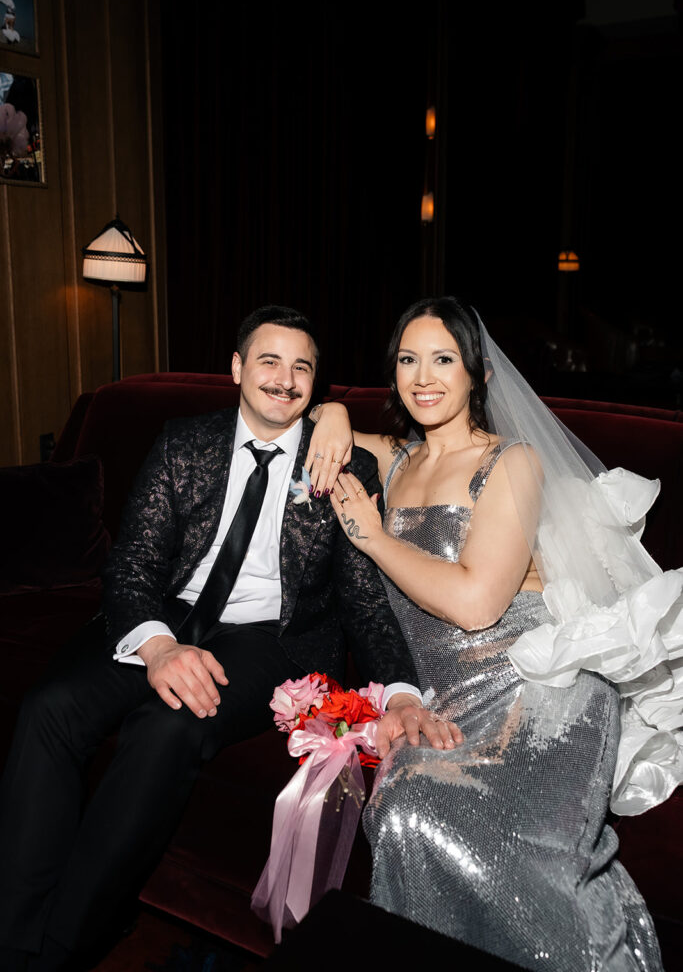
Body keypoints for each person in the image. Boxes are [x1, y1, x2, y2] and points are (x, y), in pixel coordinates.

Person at [0, 304, 462, 972]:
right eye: (268, 361)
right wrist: (158, 646)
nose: (284, 378)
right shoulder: (183, 442)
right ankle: (14, 946)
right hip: (167, 616)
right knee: (48, 710)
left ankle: (64, 948)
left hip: (271, 639)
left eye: (301, 366)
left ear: (314, 383)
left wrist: (398, 693)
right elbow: (132, 566)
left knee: (169, 726)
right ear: (238, 368)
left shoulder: (343, 464)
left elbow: (364, 599)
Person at [308, 296, 681, 971]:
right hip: (441, 693)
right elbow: (307, 417)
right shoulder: (393, 460)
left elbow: (478, 603)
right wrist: (332, 410)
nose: (423, 377)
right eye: (407, 360)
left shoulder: (512, 462)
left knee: (416, 809)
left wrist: (372, 537)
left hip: (534, 689)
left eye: (443, 359)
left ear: (477, 373)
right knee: (396, 806)